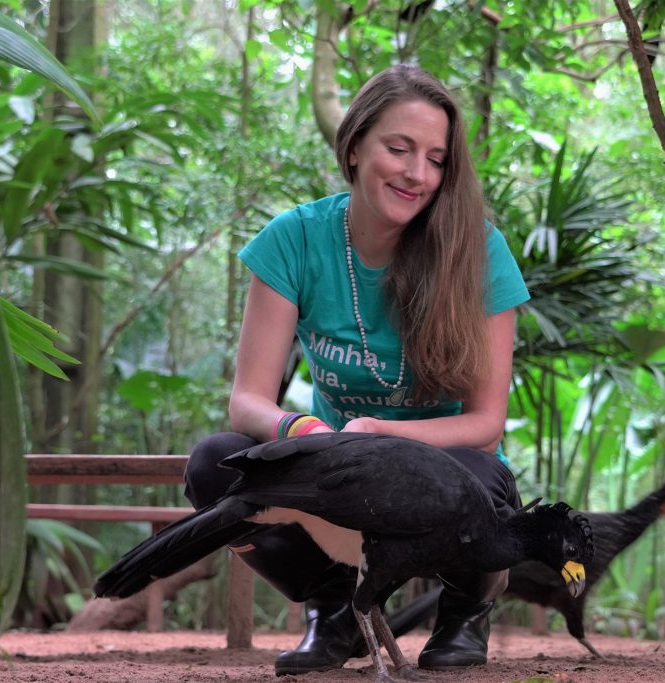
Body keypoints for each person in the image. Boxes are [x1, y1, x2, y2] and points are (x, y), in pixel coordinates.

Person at [184, 63, 530, 674]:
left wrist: (382, 433)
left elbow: (485, 423)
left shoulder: (478, 251)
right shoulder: (293, 240)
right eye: (399, 149)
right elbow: (248, 402)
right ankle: (335, 608)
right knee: (215, 465)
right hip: (336, 465)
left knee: (483, 476)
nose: (417, 174)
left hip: (442, 467)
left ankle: (465, 608)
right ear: (354, 145)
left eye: (436, 158)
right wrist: (304, 433)